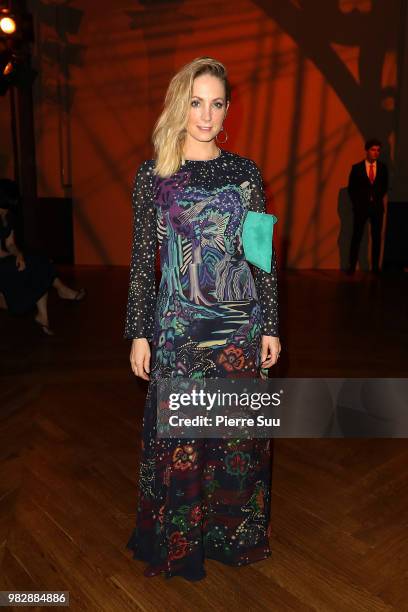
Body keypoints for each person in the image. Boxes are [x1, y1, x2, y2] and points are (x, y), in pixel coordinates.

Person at [124, 57, 281, 581]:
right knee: (184, 439)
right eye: (196, 102)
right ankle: (180, 540)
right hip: (178, 331)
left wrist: (271, 324)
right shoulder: (155, 175)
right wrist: (139, 332)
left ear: (227, 109)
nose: (205, 115)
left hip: (239, 328)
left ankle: (228, 535)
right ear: (179, 104)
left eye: (216, 104)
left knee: (235, 438)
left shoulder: (245, 172)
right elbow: (143, 258)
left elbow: (260, 254)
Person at [0, 178, 86, 335]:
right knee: (37, 264)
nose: (6, 210)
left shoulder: (6, 217)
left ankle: (44, 316)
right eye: (5, 206)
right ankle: (62, 290)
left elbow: (10, 244)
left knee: (40, 262)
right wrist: (18, 259)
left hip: (5, 259)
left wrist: (18, 254)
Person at [347, 139, 389, 275]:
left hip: (376, 208)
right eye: (373, 149)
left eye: (378, 150)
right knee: (357, 237)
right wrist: (358, 203)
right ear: (367, 150)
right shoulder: (357, 168)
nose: (376, 153)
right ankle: (352, 266)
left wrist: (376, 197)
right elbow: (351, 189)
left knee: (376, 238)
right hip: (361, 208)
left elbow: (384, 186)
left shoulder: (383, 168)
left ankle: (375, 268)